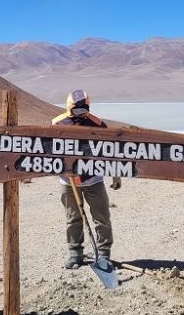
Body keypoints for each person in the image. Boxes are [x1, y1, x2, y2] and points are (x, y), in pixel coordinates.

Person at [52, 89, 121, 269]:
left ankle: (104, 254)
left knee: (102, 217)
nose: (82, 114)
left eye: (85, 110)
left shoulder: (97, 124)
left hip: (93, 179)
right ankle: (75, 253)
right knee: (73, 217)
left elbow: (110, 151)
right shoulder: (57, 124)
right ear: (70, 108)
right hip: (68, 181)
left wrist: (115, 173)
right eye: (77, 110)